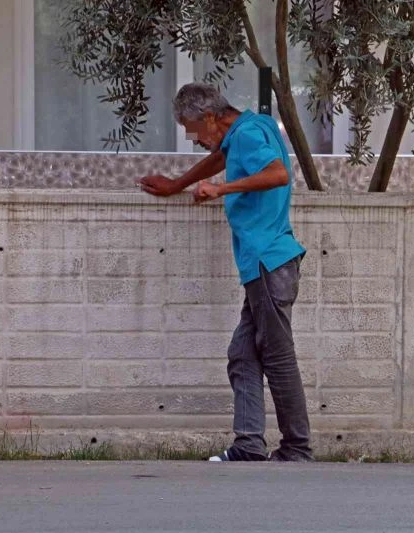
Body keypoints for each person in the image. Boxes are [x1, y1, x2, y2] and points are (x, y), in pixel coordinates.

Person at [137, 83, 312, 462]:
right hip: (267, 263)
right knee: (242, 354)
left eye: (193, 130)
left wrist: (222, 190)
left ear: (211, 117)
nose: (193, 139)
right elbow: (222, 156)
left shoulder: (247, 134)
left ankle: (297, 448)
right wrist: (177, 185)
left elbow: (277, 174)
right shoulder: (253, 127)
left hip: (268, 261)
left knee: (278, 357)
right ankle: (248, 446)